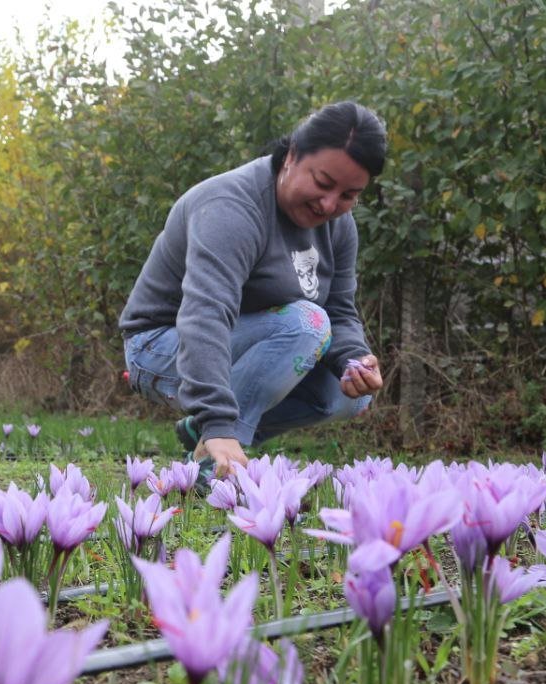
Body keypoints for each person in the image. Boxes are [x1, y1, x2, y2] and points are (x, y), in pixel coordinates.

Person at [118, 101, 387, 478]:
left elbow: (340, 311)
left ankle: (208, 439)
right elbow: (205, 315)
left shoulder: (340, 228)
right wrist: (217, 418)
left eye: (348, 195)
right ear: (292, 155)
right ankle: (214, 462)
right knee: (307, 323)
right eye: (323, 183)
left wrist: (354, 359)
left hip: (254, 341)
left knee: (348, 393)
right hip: (161, 345)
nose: (329, 204)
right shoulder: (232, 207)